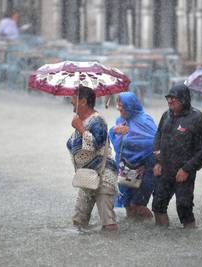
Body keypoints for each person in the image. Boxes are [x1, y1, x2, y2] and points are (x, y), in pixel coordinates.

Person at [152, 83, 202, 228]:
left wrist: (187, 169)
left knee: (184, 208)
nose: (170, 101)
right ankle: (162, 238)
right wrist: (157, 161)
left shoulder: (197, 118)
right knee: (157, 205)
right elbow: (158, 135)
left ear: (184, 99)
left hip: (183, 172)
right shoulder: (166, 115)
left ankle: (190, 240)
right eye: (168, 98)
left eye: (174, 98)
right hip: (165, 169)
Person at [66, 85, 118, 231]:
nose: (71, 102)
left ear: (83, 101)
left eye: (74, 98)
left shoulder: (97, 121)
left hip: (103, 175)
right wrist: (79, 126)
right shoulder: (81, 120)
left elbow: (96, 144)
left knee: (108, 222)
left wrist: (80, 128)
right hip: (86, 177)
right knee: (78, 221)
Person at [109, 92, 157, 219]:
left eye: (122, 106)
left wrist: (130, 139)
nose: (119, 108)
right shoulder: (121, 121)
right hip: (125, 168)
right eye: (118, 105)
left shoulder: (145, 120)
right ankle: (133, 231)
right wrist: (114, 130)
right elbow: (116, 143)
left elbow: (154, 143)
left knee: (138, 205)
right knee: (128, 205)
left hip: (145, 169)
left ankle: (156, 231)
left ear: (130, 106)